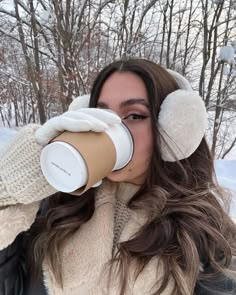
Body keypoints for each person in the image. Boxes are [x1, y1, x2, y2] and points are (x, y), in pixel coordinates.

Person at [0, 58, 236, 295]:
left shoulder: (202, 238)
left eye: (134, 115)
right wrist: (7, 192)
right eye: (101, 114)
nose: (108, 128)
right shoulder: (56, 206)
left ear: (172, 128)